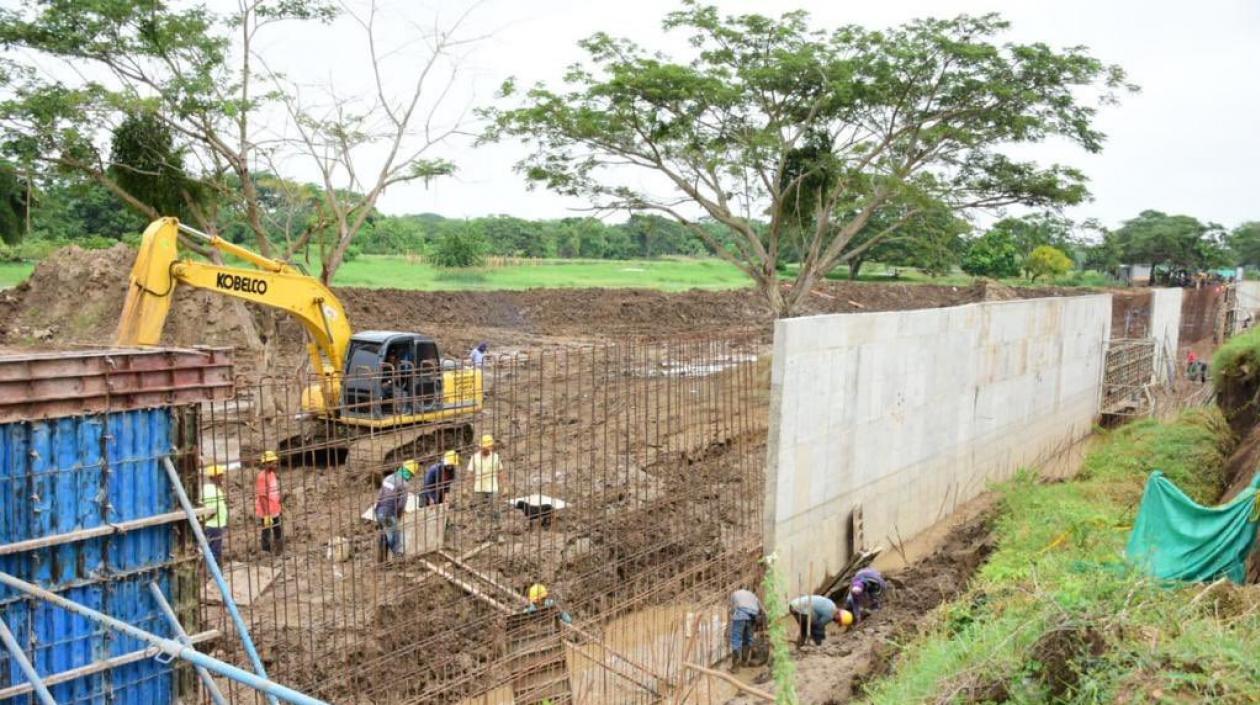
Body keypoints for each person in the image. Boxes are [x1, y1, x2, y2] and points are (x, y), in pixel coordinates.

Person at [375, 460, 418, 561]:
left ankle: (382, 561)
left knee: (383, 535)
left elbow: (380, 495)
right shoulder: (404, 484)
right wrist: (398, 516)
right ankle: (399, 558)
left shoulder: (388, 478)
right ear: (410, 474)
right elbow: (401, 505)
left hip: (379, 509)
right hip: (388, 513)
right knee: (395, 536)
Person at [788, 594, 852, 647]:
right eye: (838, 621)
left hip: (794, 605)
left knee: (806, 629)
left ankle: (800, 645)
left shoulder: (832, 606)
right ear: (839, 616)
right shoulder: (830, 615)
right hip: (800, 608)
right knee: (812, 628)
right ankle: (807, 645)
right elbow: (819, 626)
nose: (836, 622)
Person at [468, 435, 503, 527]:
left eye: (490, 447)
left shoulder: (495, 457)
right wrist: (466, 487)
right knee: (480, 510)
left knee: (495, 509)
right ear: (481, 447)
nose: (488, 449)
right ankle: (480, 531)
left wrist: (506, 487)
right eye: (487, 447)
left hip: (493, 487)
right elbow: (470, 473)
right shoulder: (474, 458)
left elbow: (501, 472)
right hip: (479, 488)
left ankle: (497, 530)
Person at [254, 450, 284, 554]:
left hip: (274, 508)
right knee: (266, 531)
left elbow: (274, 491)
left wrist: (279, 503)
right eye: (273, 462)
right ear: (267, 464)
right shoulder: (262, 477)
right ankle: (266, 551)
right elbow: (262, 497)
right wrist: (267, 515)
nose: (276, 464)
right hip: (266, 511)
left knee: (277, 529)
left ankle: (279, 549)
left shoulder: (272, 474)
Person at [729, 589, 763, 669]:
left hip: (740, 615)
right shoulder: (753, 596)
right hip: (752, 616)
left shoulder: (734, 594)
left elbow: (733, 609)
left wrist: (732, 616)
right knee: (747, 639)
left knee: (736, 639)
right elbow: (760, 609)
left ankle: (735, 666)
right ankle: (744, 662)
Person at [201, 464, 229, 565]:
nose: (222, 478)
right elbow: (212, 510)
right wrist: (206, 520)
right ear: (214, 477)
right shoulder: (212, 491)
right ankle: (215, 572)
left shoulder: (209, 488)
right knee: (215, 550)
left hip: (213, 524)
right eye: (220, 475)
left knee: (212, 547)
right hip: (214, 525)